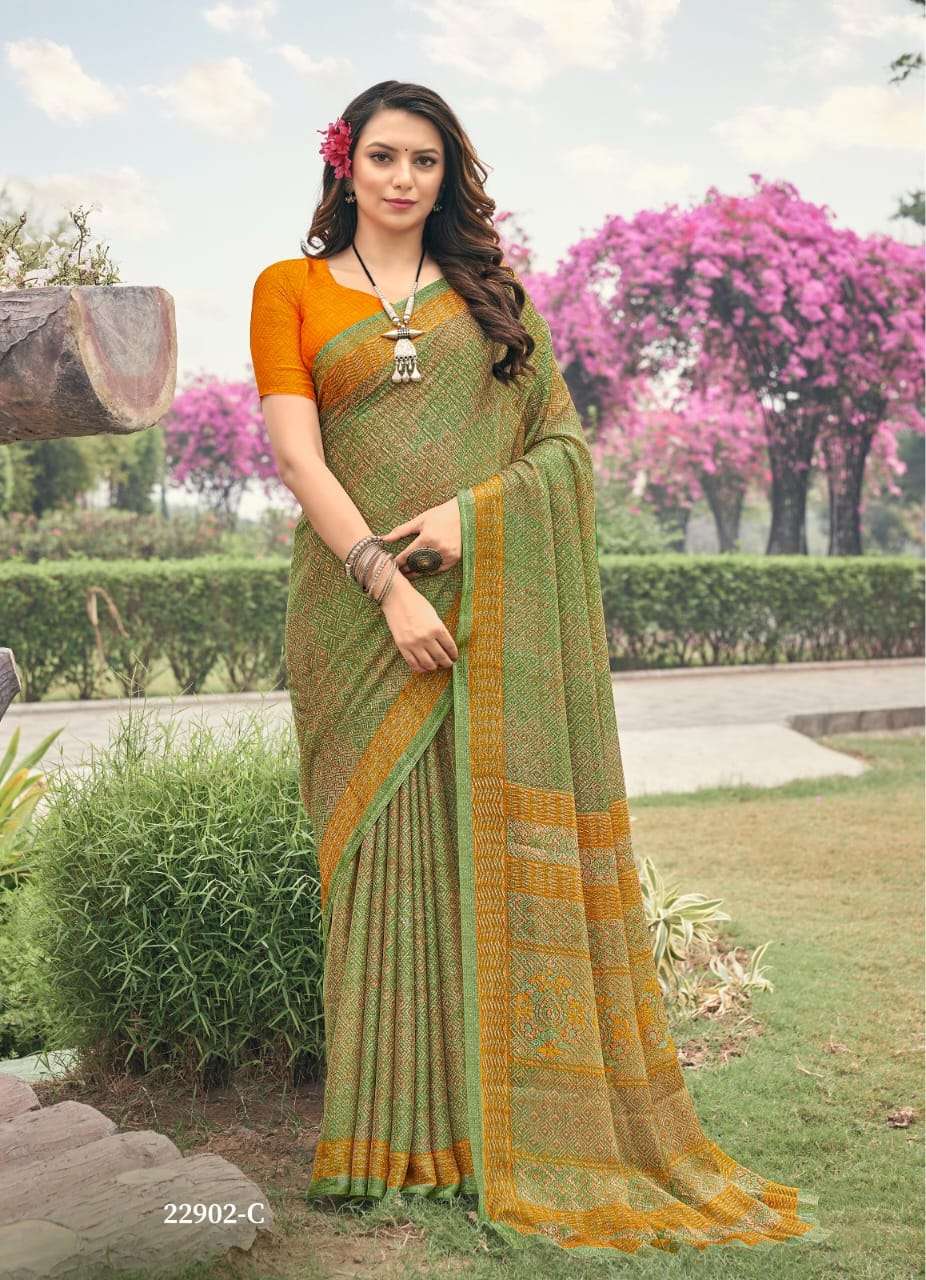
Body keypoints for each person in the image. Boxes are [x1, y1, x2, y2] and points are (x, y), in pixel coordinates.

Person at [248, 79, 825, 1258]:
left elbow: (563, 451)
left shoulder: (494, 301)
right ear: (344, 163)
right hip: (356, 614)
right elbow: (298, 461)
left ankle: (484, 1129)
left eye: (424, 161)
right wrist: (388, 583)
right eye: (383, 156)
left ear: (447, 177)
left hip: (483, 609)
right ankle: (387, 1139)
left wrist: (471, 517)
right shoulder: (288, 289)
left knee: (482, 853)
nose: (402, 179)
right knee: (380, 863)